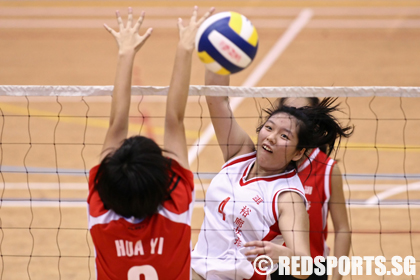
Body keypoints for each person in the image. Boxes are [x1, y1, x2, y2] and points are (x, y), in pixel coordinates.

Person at [87, 7, 213, 280]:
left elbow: (116, 125)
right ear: (164, 181)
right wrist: (185, 47)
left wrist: (125, 52)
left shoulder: (102, 218)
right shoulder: (175, 211)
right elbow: (174, 121)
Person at [191, 71, 353, 280]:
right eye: (269, 128)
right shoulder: (239, 153)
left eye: (284, 135)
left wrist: (285, 255)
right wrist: (215, 56)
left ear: (298, 152)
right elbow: (216, 98)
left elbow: (304, 267)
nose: (272, 137)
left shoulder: (288, 198)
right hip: (194, 271)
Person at [270, 97, 351, 280]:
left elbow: (342, 230)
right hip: (268, 266)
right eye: (289, 111)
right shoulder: (265, 165)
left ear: (314, 125)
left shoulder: (328, 169)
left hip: (312, 268)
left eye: (302, 113)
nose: (294, 118)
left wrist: (336, 277)